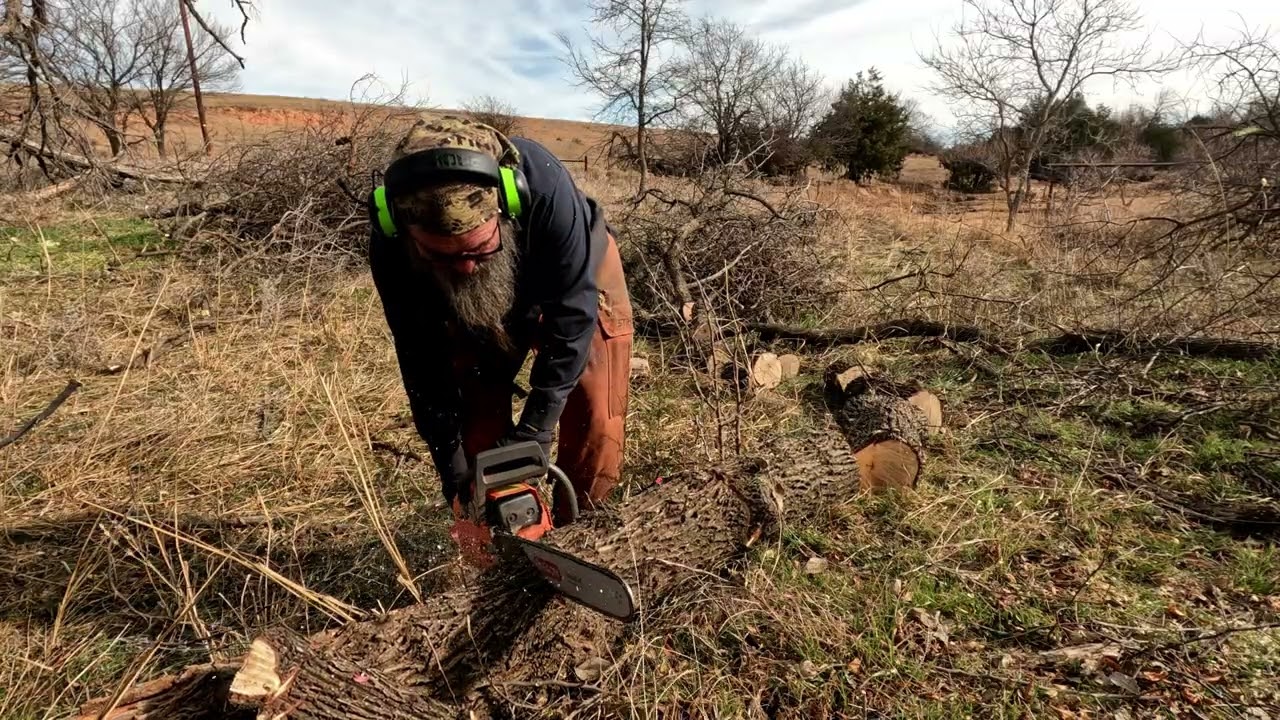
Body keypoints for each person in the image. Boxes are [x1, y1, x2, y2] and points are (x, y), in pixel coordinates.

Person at [366, 115, 633, 523]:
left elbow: (573, 318)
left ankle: (585, 528)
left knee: (597, 413)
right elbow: (420, 358)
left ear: (509, 203)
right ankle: (504, 530)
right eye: (441, 255)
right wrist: (453, 469)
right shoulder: (391, 247)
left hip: (578, 279)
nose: (465, 268)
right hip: (471, 303)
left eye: (477, 248)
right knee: (477, 418)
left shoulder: (546, 190)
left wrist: (536, 429)